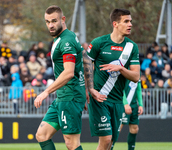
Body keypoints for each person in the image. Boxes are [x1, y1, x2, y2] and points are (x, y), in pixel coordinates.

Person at [83, 9, 140, 150]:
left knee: (111, 143)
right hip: (99, 98)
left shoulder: (132, 47)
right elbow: (85, 64)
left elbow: (136, 76)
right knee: (106, 139)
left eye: (130, 21)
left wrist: (121, 68)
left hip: (117, 101)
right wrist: (87, 89)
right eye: (126, 21)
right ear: (115, 24)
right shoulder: (99, 43)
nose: (130, 24)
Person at [34, 5, 86, 150]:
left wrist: (46, 92)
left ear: (63, 19)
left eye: (54, 21)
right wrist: (87, 89)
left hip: (70, 96)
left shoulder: (66, 40)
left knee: (71, 143)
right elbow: (84, 61)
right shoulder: (64, 37)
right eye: (47, 21)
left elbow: (69, 72)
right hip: (63, 97)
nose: (50, 25)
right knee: (42, 135)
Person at [112, 79, 143, 150]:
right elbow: (120, 88)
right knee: (117, 129)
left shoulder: (138, 71)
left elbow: (138, 89)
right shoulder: (125, 68)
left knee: (134, 129)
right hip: (122, 104)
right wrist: (125, 103)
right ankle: (109, 148)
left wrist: (140, 104)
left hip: (134, 105)